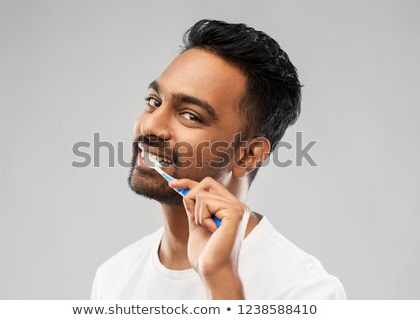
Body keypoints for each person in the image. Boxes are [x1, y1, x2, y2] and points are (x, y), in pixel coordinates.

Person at [91, 19, 346, 300]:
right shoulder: (113, 277)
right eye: (154, 101)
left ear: (248, 155)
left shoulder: (306, 292)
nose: (150, 126)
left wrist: (221, 280)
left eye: (190, 115)